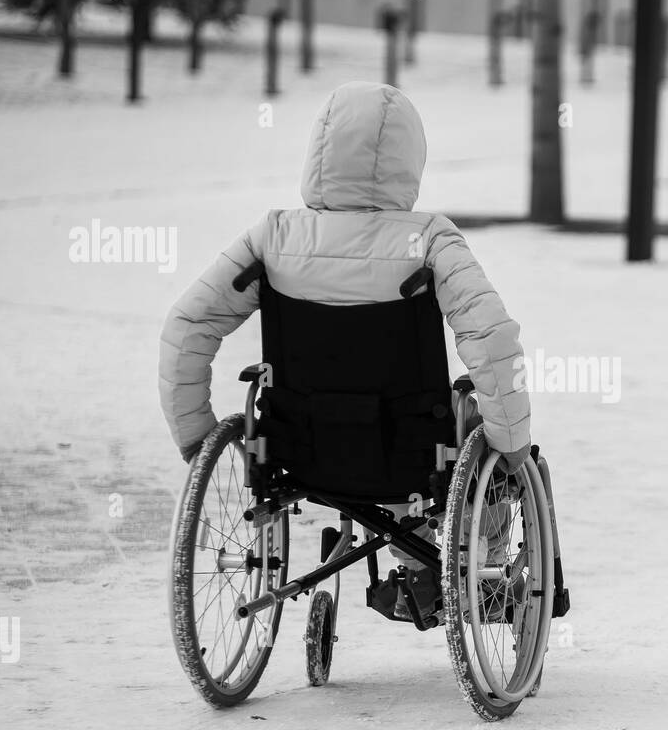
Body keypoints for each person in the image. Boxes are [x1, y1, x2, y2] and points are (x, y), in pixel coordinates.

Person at [158, 81, 531, 618]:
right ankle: (464, 572)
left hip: (298, 449)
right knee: (476, 431)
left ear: (319, 153)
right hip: (409, 452)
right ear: (411, 161)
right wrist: (510, 443)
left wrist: (194, 435)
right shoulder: (429, 241)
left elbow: (189, 322)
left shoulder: (273, 237)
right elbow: (492, 338)